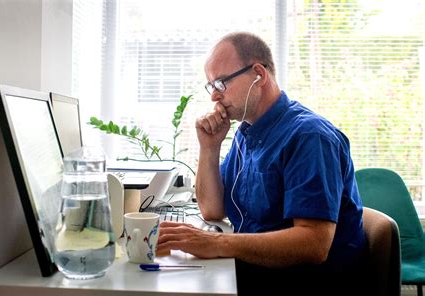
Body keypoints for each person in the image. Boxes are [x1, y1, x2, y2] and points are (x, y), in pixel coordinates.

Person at [157, 32, 367, 295]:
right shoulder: (247, 131)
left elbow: (314, 244)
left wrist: (218, 242)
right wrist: (209, 147)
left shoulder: (309, 137)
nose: (214, 97)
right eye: (211, 87)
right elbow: (212, 210)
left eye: (221, 83)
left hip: (302, 284)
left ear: (259, 73)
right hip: (259, 272)